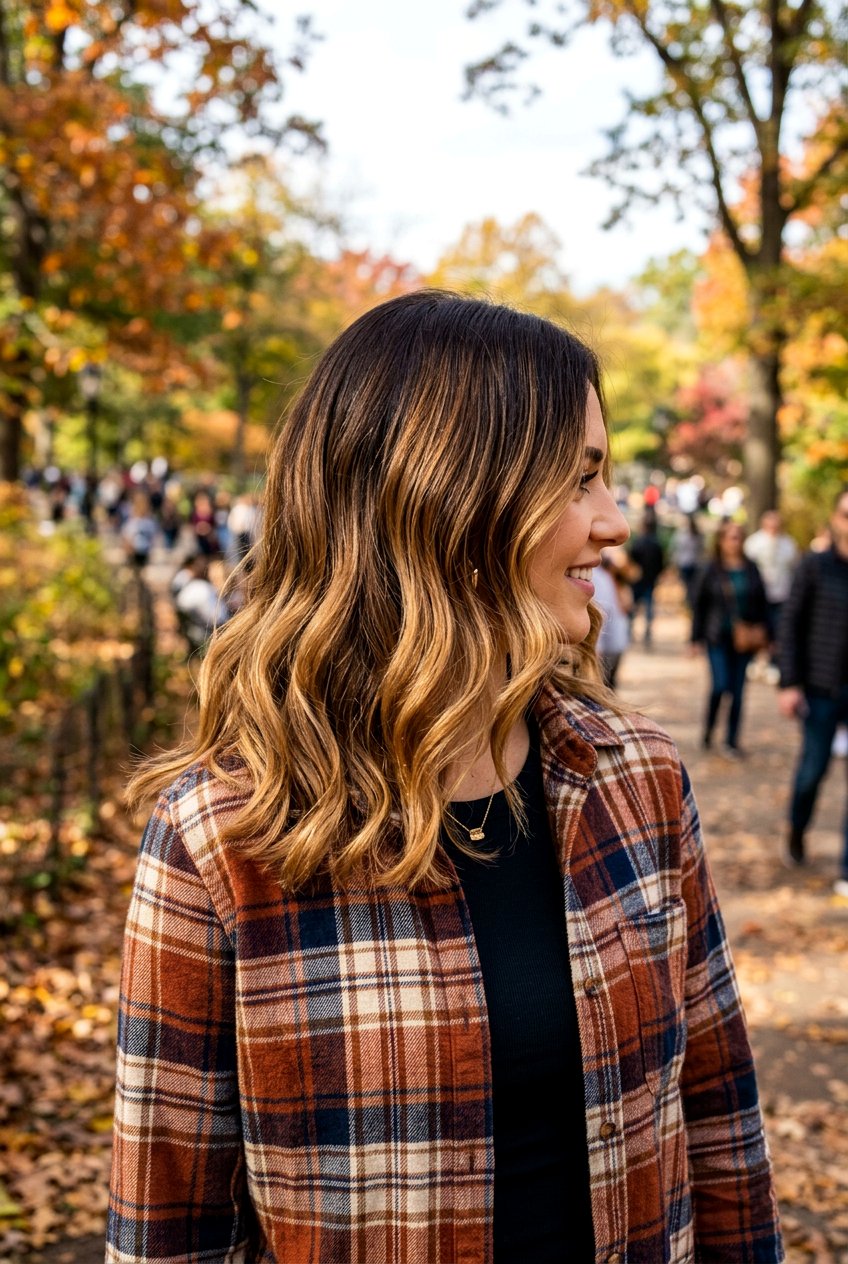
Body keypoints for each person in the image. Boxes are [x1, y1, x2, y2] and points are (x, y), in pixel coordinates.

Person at [108, 293, 782, 1264]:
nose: (610, 522)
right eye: (578, 479)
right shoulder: (224, 835)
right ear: (446, 498)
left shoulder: (636, 781)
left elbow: (719, 1135)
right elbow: (165, 1234)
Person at [777, 486, 848, 893]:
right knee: (812, 772)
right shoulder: (815, 567)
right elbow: (790, 624)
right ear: (835, 520)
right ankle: (797, 829)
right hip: (821, 689)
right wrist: (789, 682)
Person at [690, 520, 768, 757]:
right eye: (730, 537)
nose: (735, 541)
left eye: (738, 537)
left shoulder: (751, 568)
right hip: (717, 637)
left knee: (738, 690)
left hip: (744, 640)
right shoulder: (710, 569)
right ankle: (709, 730)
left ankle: (732, 741)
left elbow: (763, 603)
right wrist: (695, 638)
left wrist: (767, 635)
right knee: (720, 686)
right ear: (721, 540)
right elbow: (699, 606)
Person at [744, 510, 799, 671]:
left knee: (779, 628)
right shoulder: (754, 543)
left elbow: (794, 568)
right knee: (759, 627)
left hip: (782, 593)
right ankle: (755, 660)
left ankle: (775, 661)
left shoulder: (788, 544)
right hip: (760, 595)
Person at [592, 546, 632, 689]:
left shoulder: (600, 578)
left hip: (608, 647)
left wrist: (597, 647)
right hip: (616, 643)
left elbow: (600, 612)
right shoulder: (607, 579)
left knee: (605, 687)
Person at [627, 509, 665, 645]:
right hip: (650, 580)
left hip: (637, 580)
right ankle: (647, 633)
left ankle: (629, 631)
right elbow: (661, 563)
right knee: (649, 607)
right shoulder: (657, 544)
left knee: (633, 607)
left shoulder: (638, 542)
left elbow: (630, 560)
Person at [671, 512, 704, 608]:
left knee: (688, 585)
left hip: (685, 563)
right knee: (693, 585)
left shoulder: (682, 534)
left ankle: (691, 602)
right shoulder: (698, 534)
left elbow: (675, 548)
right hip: (695, 563)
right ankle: (692, 602)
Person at [119, 492, 157, 569]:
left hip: (144, 552)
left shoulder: (149, 522)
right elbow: (126, 536)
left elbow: (152, 536)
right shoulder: (131, 521)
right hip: (133, 552)